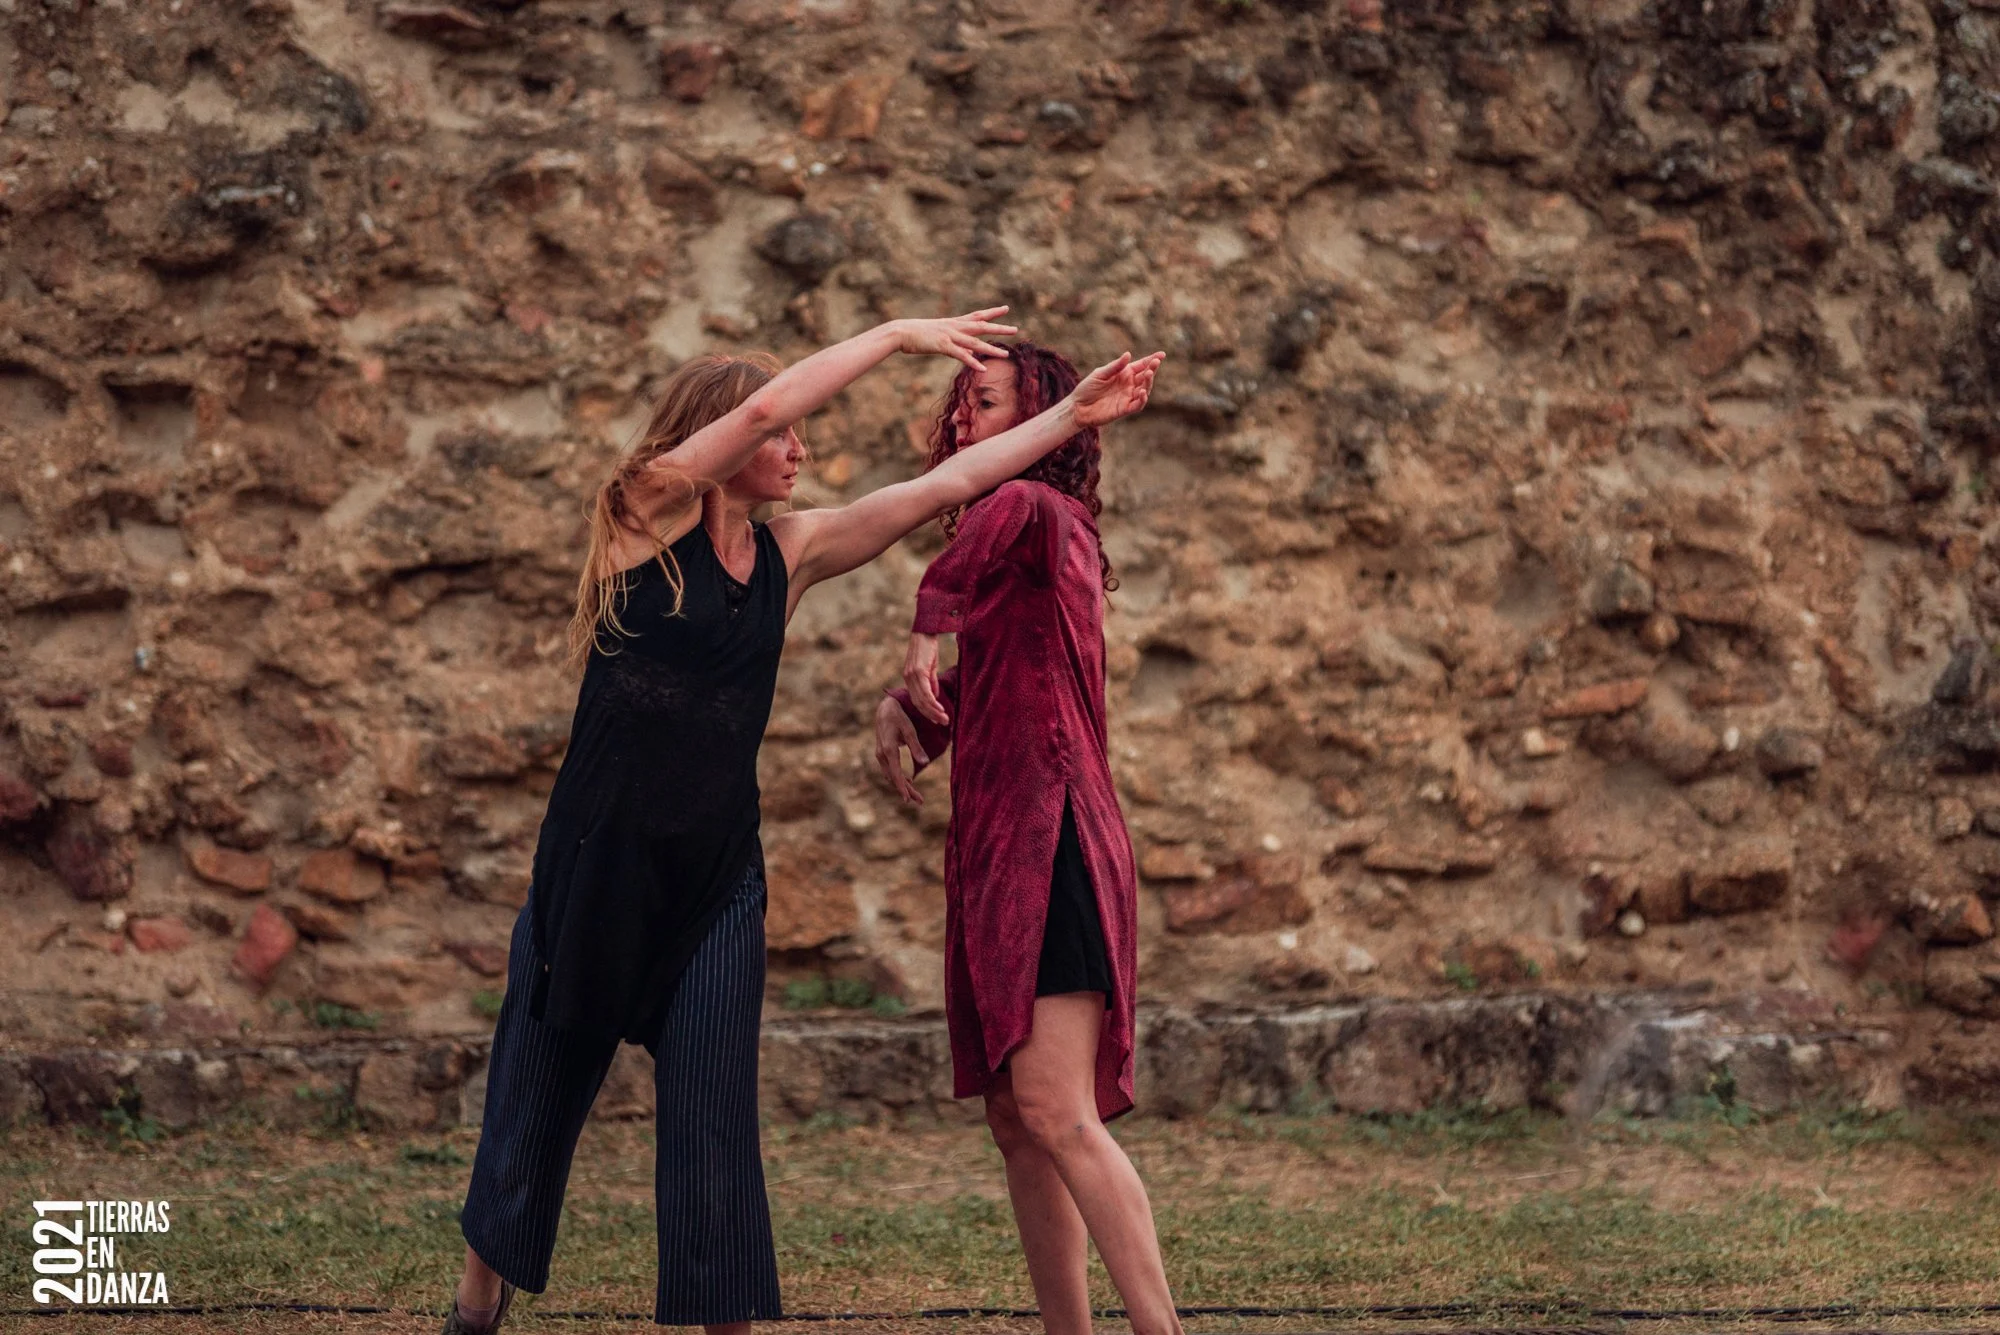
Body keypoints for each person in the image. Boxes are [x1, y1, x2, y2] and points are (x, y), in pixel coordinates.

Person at [442, 312, 1165, 1335]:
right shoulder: (638, 517)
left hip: (717, 881)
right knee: (540, 1090)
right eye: (779, 436)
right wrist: (896, 336)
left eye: (794, 435)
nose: (798, 447)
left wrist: (1069, 417)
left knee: (713, 1123)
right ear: (722, 436)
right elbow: (765, 406)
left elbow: (947, 488)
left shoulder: (794, 551)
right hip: (598, 863)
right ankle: (478, 1301)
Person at [873, 342, 1183, 1335]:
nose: (965, 421)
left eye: (987, 402)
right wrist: (919, 712)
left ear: (1044, 417)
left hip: (1053, 844)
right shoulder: (1031, 539)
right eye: (961, 405)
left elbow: (976, 539)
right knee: (1017, 1119)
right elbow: (1019, 682)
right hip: (1004, 849)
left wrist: (924, 627)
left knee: (1054, 1110)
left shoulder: (1033, 510)